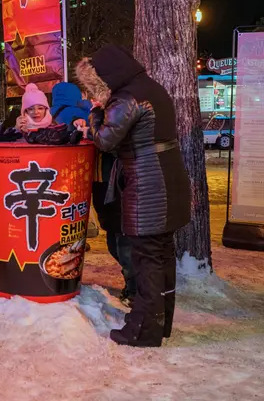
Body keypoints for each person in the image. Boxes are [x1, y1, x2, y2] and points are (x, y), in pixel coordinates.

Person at [76, 44, 191, 348]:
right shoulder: (153, 89)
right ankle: (159, 322)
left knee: (147, 259)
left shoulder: (126, 99)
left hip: (148, 185)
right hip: (170, 180)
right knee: (162, 255)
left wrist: (95, 115)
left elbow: (105, 141)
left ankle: (143, 331)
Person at [52, 82, 137, 305]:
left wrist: (92, 125)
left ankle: (136, 288)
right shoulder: (91, 114)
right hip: (100, 185)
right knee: (113, 237)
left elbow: (111, 143)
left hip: (117, 184)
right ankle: (134, 283)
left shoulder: (119, 116)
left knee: (123, 239)